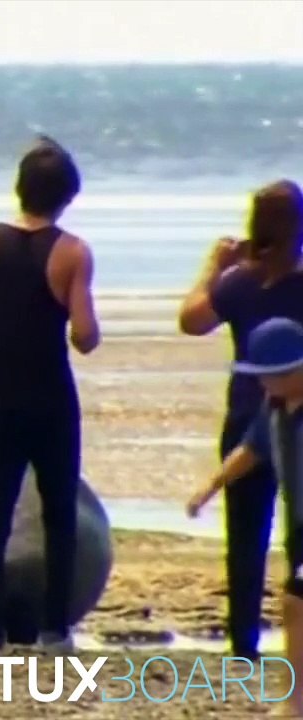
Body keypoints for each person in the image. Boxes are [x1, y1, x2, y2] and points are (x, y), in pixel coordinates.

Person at [0, 136, 100, 652]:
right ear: (67, 195)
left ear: (20, 188)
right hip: (49, 393)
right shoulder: (73, 252)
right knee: (58, 512)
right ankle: (53, 629)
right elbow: (83, 333)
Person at [178, 178, 303, 659]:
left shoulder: (238, 281)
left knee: (245, 537)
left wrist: (214, 266)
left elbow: (192, 320)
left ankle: (244, 643)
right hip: (293, 415)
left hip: (247, 413)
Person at [186, 316, 303, 717]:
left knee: (296, 602)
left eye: (272, 375)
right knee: (295, 605)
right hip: (299, 524)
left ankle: (295, 702)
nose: (264, 384)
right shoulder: (273, 408)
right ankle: (295, 700)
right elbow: (251, 451)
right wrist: (210, 487)